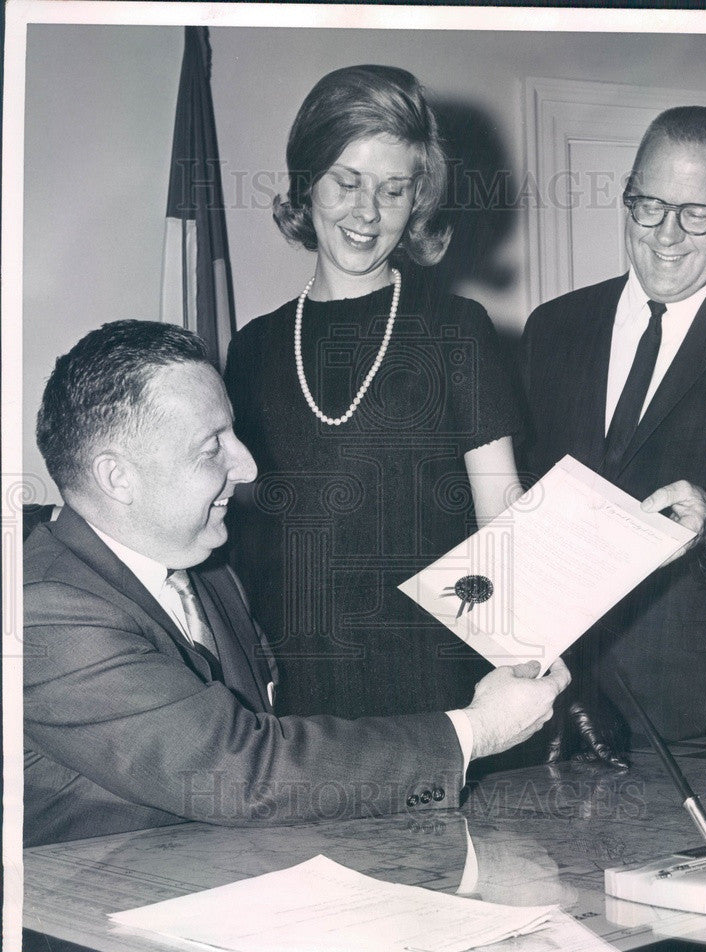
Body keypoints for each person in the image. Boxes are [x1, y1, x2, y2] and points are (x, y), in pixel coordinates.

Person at [23, 320, 569, 847]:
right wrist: (476, 731)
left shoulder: (206, 570)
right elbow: (241, 772)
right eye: (213, 447)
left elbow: (281, 742)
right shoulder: (47, 612)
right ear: (117, 477)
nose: (248, 467)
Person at [225, 65, 524, 721]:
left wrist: (521, 655)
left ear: (418, 203)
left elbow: (502, 516)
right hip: (296, 695)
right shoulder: (251, 348)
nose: (366, 213)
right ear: (307, 184)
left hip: (438, 689)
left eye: (392, 191)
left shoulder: (456, 330)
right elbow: (241, 535)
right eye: (346, 182)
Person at [518, 106, 706, 742]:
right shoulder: (552, 327)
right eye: (649, 204)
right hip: (546, 709)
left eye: (696, 213)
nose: (666, 234)